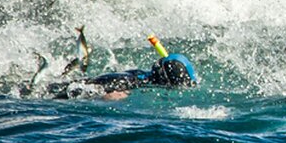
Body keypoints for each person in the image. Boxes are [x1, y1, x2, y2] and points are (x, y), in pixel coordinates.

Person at [46, 36, 198, 100]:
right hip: (91, 88)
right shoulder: (132, 84)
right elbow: (108, 95)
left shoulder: (143, 76)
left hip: (96, 81)